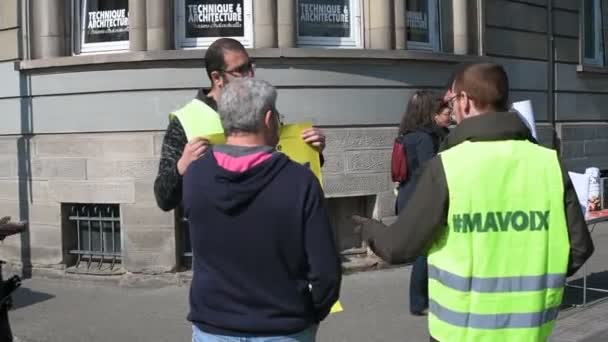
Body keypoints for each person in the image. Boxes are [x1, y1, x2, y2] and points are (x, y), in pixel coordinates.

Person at [355, 63, 594, 341]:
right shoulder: (549, 163)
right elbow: (579, 247)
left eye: (452, 101)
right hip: (529, 331)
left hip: (461, 332)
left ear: (466, 101)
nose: (452, 109)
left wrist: (370, 229)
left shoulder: (447, 166)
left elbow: (399, 247)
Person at [183, 78, 341, 342]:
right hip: (284, 327)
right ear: (269, 119)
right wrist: (312, 314)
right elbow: (326, 271)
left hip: (213, 326)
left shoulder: (195, 175)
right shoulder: (299, 181)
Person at [154, 38, 326, 211]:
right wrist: (181, 167)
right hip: (212, 227)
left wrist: (311, 151)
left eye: (250, 66)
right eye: (240, 70)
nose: (250, 75)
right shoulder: (186, 120)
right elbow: (163, 198)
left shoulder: (262, 106)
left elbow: (281, 158)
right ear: (217, 78)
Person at [394, 91, 449, 316]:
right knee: (424, 252)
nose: (447, 115)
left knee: (424, 250)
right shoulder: (425, 138)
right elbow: (430, 170)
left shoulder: (407, 135)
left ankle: (422, 300)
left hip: (408, 196)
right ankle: (418, 303)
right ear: (430, 112)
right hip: (420, 199)